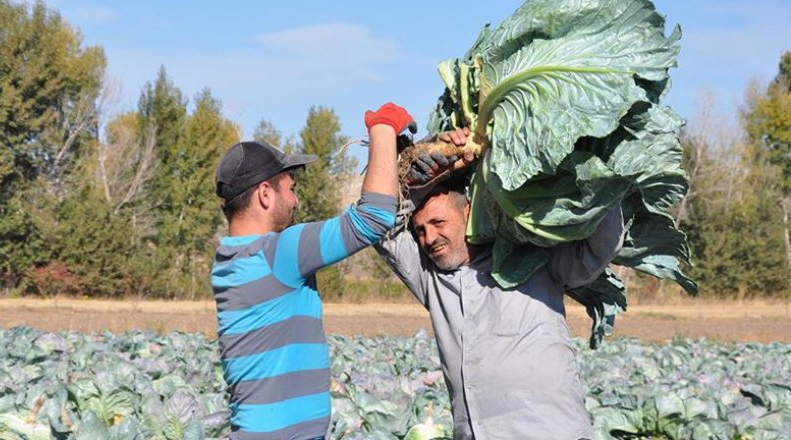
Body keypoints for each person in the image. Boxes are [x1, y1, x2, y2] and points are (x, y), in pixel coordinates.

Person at [374, 128, 625, 440]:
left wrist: (593, 167)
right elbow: (381, 228)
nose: (429, 238)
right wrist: (429, 171)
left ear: (469, 212)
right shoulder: (431, 278)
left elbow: (600, 246)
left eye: (438, 223)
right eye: (421, 230)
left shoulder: (532, 256)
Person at [211, 103, 414, 440]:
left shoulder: (228, 260)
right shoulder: (277, 253)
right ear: (265, 194)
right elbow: (374, 218)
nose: (296, 202)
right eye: (291, 189)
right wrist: (383, 128)